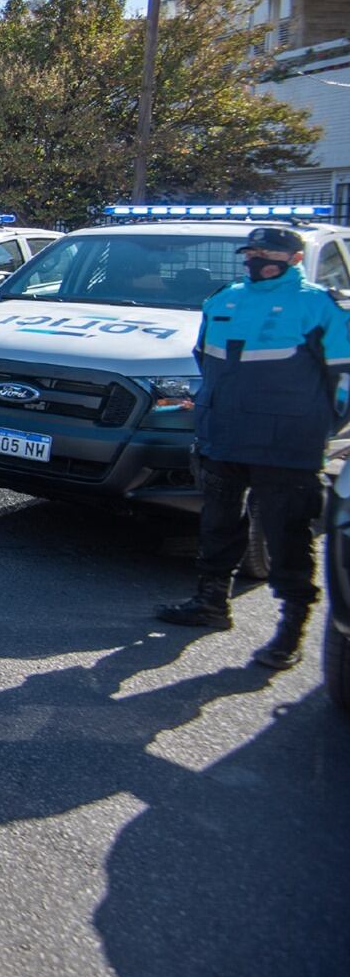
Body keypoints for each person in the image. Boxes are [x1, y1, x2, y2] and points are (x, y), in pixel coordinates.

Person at [156, 225, 350, 668]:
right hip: (224, 437)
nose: (258, 258)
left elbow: (344, 377)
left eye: (270, 252)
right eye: (253, 250)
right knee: (218, 527)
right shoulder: (224, 299)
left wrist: (319, 428)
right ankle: (210, 604)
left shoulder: (318, 305)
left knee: (287, 537)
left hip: (288, 446)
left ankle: (290, 630)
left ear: (294, 259)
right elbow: (206, 359)